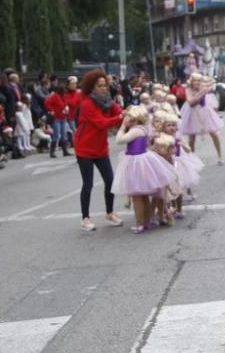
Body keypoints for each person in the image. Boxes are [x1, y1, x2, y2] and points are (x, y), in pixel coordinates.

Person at [110, 105, 178, 233]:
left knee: (137, 196)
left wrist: (123, 127)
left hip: (136, 162)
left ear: (134, 120)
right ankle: (147, 222)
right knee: (144, 195)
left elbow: (120, 140)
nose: (126, 120)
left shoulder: (135, 130)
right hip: (142, 160)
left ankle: (139, 224)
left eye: (128, 118)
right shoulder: (144, 128)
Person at [75, 70, 125, 231]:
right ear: (91, 88)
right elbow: (102, 123)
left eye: (105, 85)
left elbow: (119, 113)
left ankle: (110, 213)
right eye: (100, 86)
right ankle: (85, 218)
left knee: (110, 181)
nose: (104, 88)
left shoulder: (108, 101)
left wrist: (129, 114)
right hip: (84, 148)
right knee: (87, 184)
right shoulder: (87, 104)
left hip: (100, 147)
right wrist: (119, 118)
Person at [178, 72, 223, 163]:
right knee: (191, 138)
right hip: (192, 113)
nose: (197, 82)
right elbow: (190, 102)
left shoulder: (204, 87)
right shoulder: (188, 89)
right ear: (192, 81)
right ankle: (191, 159)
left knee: (214, 134)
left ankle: (220, 156)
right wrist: (200, 93)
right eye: (195, 80)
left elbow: (213, 84)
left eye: (199, 80)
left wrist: (210, 84)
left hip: (205, 111)